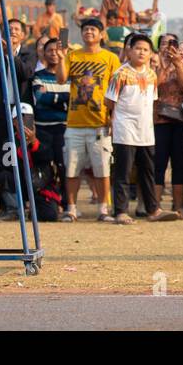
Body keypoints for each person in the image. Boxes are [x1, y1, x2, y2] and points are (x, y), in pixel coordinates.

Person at [107, 33, 178, 223]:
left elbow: (152, 102)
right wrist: (115, 122)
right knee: (123, 171)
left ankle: (152, 210)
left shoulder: (151, 75)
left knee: (148, 170)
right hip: (125, 128)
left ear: (150, 54)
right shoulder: (120, 73)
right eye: (137, 48)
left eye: (145, 49)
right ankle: (121, 211)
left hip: (145, 130)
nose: (141, 52)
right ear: (129, 51)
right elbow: (109, 101)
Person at [59, 17, 119, 222]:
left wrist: (112, 117)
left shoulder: (110, 58)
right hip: (75, 122)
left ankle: (103, 209)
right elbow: (61, 78)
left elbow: (116, 91)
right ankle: (72, 208)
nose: (89, 32)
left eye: (93, 29)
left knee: (102, 168)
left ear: (102, 34)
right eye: (85, 29)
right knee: (72, 168)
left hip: (99, 122)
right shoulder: (72, 56)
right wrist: (60, 57)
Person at [0, 18, 36, 218]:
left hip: (22, 113)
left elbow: (25, 73)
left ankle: (25, 202)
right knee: (2, 157)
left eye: (16, 29)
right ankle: (8, 204)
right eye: (8, 29)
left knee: (22, 156)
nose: (12, 32)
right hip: (1, 112)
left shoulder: (28, 54)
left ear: (23, 35)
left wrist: (11, 55)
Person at [152, 34, 183, 218]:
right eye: (165, 45)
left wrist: (177, 64)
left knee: (179, 165)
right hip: (159, 121)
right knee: (158, 164)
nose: (179, 52)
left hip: (181, 121)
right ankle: (155, 206)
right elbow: (155, 84)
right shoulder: (155, 65)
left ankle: (178, 207)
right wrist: (165, 64)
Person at [30, 38, 71, 214]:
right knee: (45, 165)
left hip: (63, 127)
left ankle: (67, 203)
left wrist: (53, 97)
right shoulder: (38, 76)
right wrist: (61, 99)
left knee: (64, 166)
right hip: (43, 128)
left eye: (57, 50)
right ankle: (46, 200)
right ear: (43, 54)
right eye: (50, 50)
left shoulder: (70, 76)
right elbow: (40, 98)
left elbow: (72, 99)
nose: (53, 53)